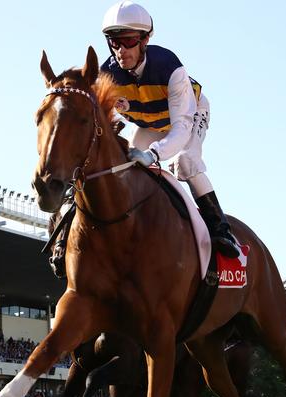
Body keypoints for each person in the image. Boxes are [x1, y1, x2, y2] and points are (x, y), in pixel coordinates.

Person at [100, 1, 240, 258]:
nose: (121, 50)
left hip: (188, 116)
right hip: (150, 124)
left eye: (129, 41)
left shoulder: (169, 67)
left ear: (144, 40)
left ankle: (221, 229)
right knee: (126, 166)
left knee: (185, 161)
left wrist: (154, 154)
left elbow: (181, 129)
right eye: (114, 42)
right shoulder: (107, 75)